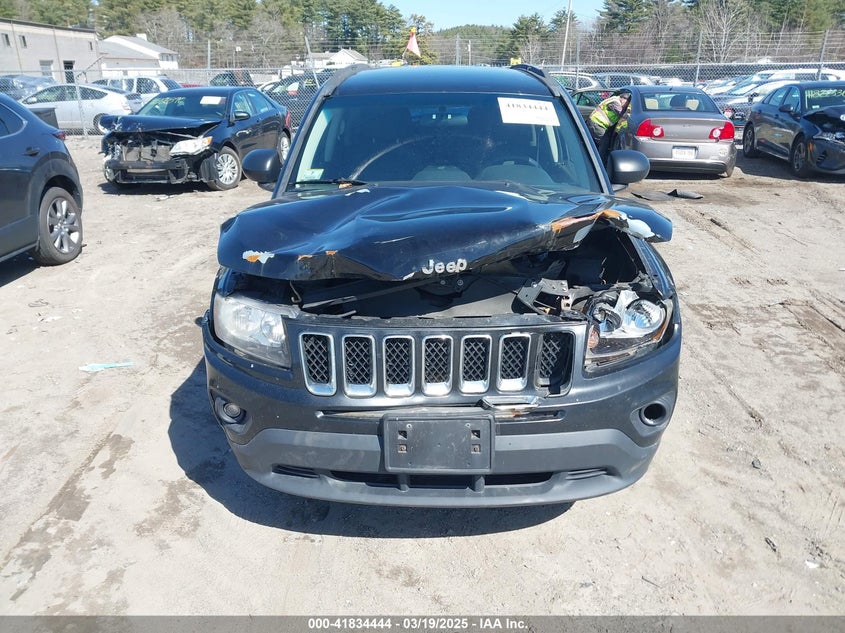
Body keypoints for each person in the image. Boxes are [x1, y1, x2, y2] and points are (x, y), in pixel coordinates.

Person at [588, 94, 630, 160]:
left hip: (597, 123)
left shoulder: (614, 99)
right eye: (626, 103)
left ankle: (596, 159)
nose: (626, 105)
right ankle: (600, 162)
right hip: (597, 123)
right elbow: (621, 113)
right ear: (623, 99)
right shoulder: (615, 102)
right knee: (603, 142)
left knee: (598, 143)